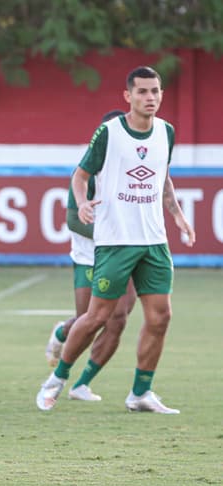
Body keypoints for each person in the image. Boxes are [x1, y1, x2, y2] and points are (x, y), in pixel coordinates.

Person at [36, 66, 195, 414]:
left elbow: (162, 177)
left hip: (154, 241)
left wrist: (178, 214)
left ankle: (140, 392)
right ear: (128, 96)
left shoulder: (166, 132)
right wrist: (82, 204)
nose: (150, 98)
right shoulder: (109, 132)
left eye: (155, 91)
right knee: (96, 318)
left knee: (160, 317)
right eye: (142, 92)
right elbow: (80, 176)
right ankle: (57, 379)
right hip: (115, 242)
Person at [41, 110, 138, 405]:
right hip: (90, 256)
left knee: (119, 319)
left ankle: (81, 384)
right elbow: (73, 220)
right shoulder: (86, 171)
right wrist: (111, 233)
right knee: (91, 320)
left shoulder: (134, 168)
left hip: (123, 252)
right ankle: (61, 333)